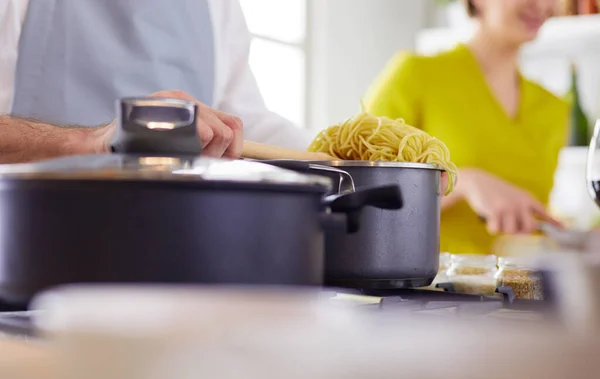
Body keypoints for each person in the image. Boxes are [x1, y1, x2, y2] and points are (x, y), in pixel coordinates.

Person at [364, 0, 567, 255]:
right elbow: (362, 195)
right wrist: (463, 183)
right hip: (426, 288)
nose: (542, 4)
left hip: (522, 289)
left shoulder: (554, 108)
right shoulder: (414, 77)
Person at [0, 0, 312, 163]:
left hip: (172, 244)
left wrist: (342, 149)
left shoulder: (219, 5)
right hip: (29, 237)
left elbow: (242, 122)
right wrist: (89, 142)